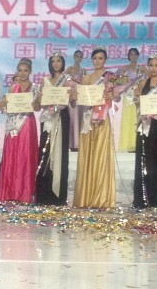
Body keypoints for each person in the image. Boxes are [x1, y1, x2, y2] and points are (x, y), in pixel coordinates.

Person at [73, 47, 116, 208]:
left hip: (102, 119)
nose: (97, 61)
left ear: (105, 60)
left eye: (100, 58)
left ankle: (101, 196)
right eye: (95, 58)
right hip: (88, 120)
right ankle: (86, 196)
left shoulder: (110, 77)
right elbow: (80, 99)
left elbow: (116, 97)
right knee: (88, 155)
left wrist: (112, 95)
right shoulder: (86, 78)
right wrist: (75, 96)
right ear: (91, 60)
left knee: (100, 154)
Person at [0, 58, 38, 203]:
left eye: (25, 70)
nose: (22, 73)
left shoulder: (35, 88)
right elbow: (5, 108)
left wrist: (36, 104)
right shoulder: (13, 88)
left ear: (30, 71)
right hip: (13, 125)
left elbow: (38, 108)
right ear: (17, 72)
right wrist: (2, 104)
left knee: (25, 155)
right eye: (20, 70)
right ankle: (10, 190)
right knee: (12, 155)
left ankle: (24, 192)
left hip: (27, 124)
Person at [133, 54, 157, 208]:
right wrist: (136, 99)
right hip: (145, 125)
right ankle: (142, 197)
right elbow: (137, 103)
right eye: (151, 65)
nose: (153, 69)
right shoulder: (143, 83)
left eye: (156, 65)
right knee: (144, 159)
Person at [36, 52, 71, 205]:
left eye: (58, 61)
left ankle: (58, 195)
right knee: (45, 152)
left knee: (60, 153)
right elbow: (41, 105)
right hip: (48, 119)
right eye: (53, 61)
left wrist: (73, 96)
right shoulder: (45, 80)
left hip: (62, 117)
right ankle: (44, 194)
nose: (56, 64)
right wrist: (40, 99)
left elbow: (72, 103)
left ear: (62, 63)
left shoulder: (68, 80)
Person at [117, 47, 147, 153]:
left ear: (138, 56)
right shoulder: (125, 68)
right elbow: (116, 80)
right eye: (131, 54)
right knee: (129, 119)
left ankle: (138, 143)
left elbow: (150, 78)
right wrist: (124, 79)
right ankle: (129, 144)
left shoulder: (142, 68)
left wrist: (141, 87)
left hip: (138, 95)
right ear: (128, 56)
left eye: (135, 54)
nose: (133, 56)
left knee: (138, 118)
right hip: (129, 97)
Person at [65, 50, 87, 151]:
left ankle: (79, 143)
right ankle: (70, 143)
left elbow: (86, 84)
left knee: (80, 119)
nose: (78, 58)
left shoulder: (83, 71)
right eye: (77, 56)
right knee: (72, 119)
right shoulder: (69, 69)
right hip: (71, 98)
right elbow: (62, 80)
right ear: (74, 57)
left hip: (80, 98)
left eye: (80, 56)